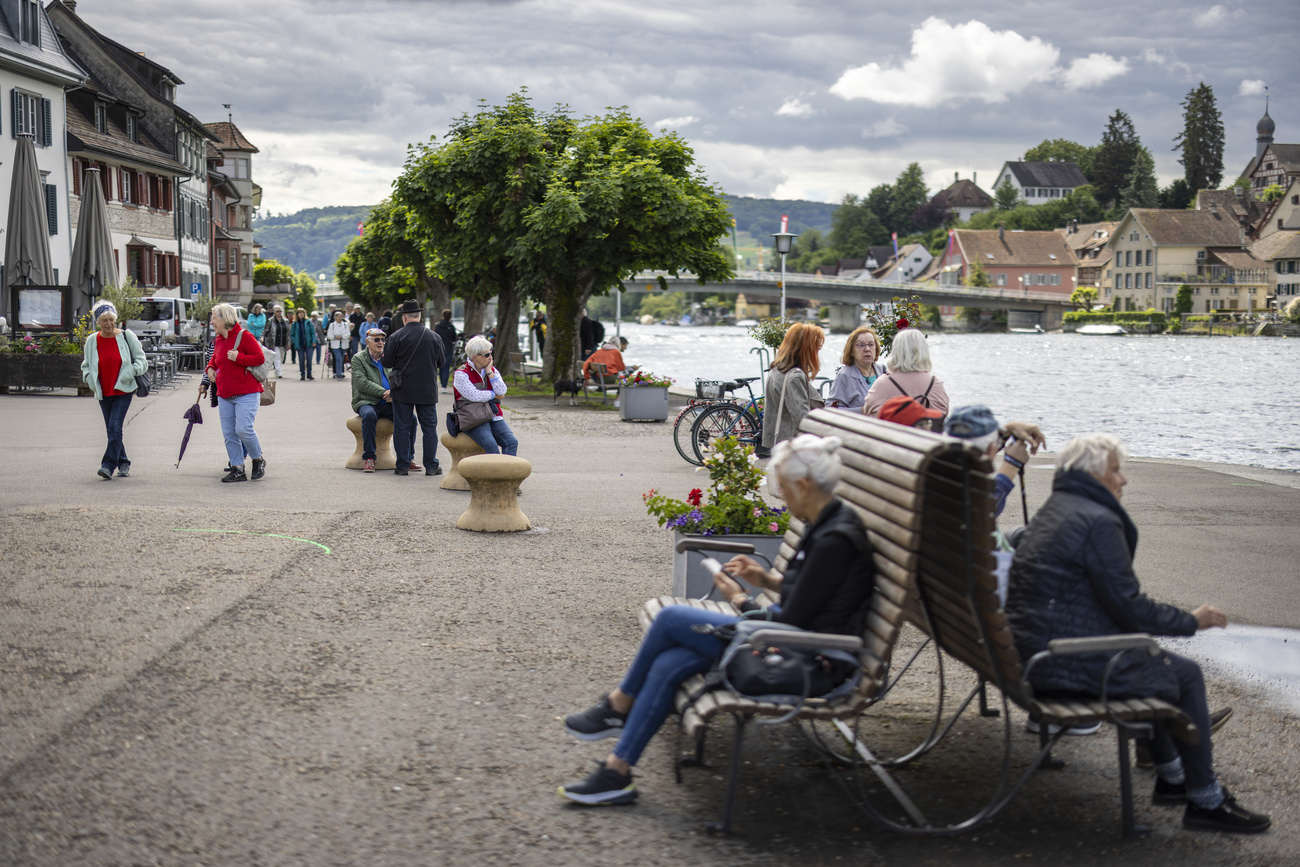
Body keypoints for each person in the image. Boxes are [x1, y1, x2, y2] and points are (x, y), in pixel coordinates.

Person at [558, 434, 875, 805]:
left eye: (785, 489)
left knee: (671, 618)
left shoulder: (835, 539)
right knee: (668, 661)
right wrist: (765, 579)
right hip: (792, 638)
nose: (782, 498)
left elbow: (793, 618)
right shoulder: (828, 520)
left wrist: (740, 598)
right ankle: (615, 774)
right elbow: (808, 593)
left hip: (812, 657)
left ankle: (617, 706)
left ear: (804, 486)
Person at [1005, 433, 1270, 834]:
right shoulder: (1096, 521)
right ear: (1093, 475)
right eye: (1116, 470)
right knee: (1184, 675)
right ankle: (1205, 801)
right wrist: (1191, 620)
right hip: (1060, 667)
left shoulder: (1057, 508)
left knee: (1151, 661)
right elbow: (1130, 606)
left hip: (1031, 656)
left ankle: (1172, 777)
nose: (1123, 480)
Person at [80, 301, 148, 480]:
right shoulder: (92, 340)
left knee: (115, 427)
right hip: (103, 390)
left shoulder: (126, 336)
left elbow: (142, 360)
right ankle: (123, 461)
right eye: (104, 320)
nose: (109, 323)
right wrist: (88, 378)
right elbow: (86, 365)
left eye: (111, 319)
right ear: (98, 322)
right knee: (112, 430)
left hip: (123, 389)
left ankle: (108, 465)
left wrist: (132, 371)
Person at [202, 302, 265, 482]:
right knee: (229, 433)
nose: (212, 322)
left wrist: (239, 357)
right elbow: (214, 360)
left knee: (243, 429)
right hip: (225, 393)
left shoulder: (244, 336)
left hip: (247, 392)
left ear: (225, 319)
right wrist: (210, 370)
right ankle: (237, 468)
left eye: (214, 318)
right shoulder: (219, 340)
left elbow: (259, 358)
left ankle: (258, 459)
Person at [381, 298, 444, 476]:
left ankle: (402, 465)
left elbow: (386, 361)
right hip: (427, 389)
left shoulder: (396, 336)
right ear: (419, 316)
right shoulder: (434, 336)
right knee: (429, 428)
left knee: (402, 427)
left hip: (403, 389)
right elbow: (441, 362)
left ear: (405, 317)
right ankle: (431, 465)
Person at [761, 321, 824, 455]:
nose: (818, 353)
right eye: (816, 348)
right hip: (796, 448)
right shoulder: (795, 377)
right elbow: (803, 419)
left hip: (781, 444)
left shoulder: (777, 369)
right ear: (806, 349)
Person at [861, 328, 949, 420]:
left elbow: (867, 411)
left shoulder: (882, 385)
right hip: (925, 434)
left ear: (895, 351)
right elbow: (944, 414)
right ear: (924, 352)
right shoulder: (936, 385)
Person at [453, 335, 518, 456]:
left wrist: (489, 373)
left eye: (491, 353)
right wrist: (494, 395)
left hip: (494, 415)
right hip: (474, 417)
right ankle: (494, 473)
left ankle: (506, 474)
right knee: (490, 444)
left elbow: (502, 390)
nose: (491, 357)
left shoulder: (492, 369)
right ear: (475, 357)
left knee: (511, 441)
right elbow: (474, 395)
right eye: (487, 354)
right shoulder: (461, 374)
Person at [351, 329, 394, 473]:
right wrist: (384, 392)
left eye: (383, 340)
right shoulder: (358, 358)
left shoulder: (388, 358)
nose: (381, 343)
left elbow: (398, 376)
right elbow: (361, 382)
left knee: (410, 418)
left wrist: (393, 391)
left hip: (388, 401)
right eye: (377, 340)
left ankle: (407, 457)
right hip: (366, 401)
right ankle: (369, 458)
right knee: (369, 416)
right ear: (367, 341)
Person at [826, 326, 886, 411]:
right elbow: (832, 409)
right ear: (851, 351)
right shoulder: (845, 375)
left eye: (871, 344)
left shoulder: (883, 371)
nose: (867, 349)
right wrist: (862, 411)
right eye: (861, 345)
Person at [433, 309, 458, 392]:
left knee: (440, 366)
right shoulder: (451, 327)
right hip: (448, 348)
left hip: (439, 348)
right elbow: (454, 338)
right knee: (446, 368)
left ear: (442, 316)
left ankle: (440, 381)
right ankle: (444, 386)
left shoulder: (437, 325)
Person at [290, 307, 317, 380]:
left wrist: (314, 341)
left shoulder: (308, 322)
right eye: (299, 313)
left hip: (309, 344)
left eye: (302, 313)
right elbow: (292, 334)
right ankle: (302, 374)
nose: (301, 314)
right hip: (299, 344)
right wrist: (294, 341)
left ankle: (309, 374)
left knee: (309, 359)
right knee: (301, 359)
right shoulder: (295, 323)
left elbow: (312, 332)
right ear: (297, 314)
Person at [263, 306, 289, 378]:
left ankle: (277, 370)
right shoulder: (270, 321)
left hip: (283, 342)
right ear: (274, 312)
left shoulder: (285, 321)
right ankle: (279, 372)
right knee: (277, 357)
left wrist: (289, 343)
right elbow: (265, 330)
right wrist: (263, 338)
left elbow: (288, 333)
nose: (279, 312)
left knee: (281, 357)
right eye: (278, 311)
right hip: (274, 342)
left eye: (280, 311)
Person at [326, 311, 350, 380]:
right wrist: (335, 337)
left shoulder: (345, 324)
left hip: (343, 344)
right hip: (335, 345)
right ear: (335, 317)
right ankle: (338, 374)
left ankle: (340, 372)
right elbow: (329, 335)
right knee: (338, 358)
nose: (340, 318)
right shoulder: (332, 325)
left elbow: (348, 334)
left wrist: (342, 337)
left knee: (341, 359)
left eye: (341, 316)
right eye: (338, 317)